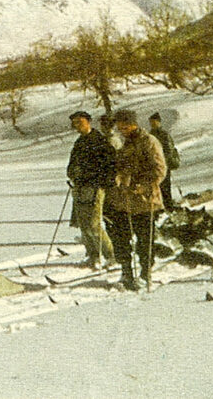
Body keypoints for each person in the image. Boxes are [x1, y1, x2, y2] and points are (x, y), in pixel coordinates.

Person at [103, 109, 166, 290]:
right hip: (125, 200)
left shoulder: (149, 142)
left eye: (124, 127)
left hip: (146, 200)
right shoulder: (125, 144)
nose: (122, 131)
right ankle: (126, 271)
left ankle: (146, 272)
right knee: (121, 237)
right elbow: (121, 168)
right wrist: (118, 177)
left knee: (145, 240)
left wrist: (145, 186)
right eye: (120, 128)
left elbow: (160, 170)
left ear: (133, 124)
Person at [65, 110, 116, 268]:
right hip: (80, 187)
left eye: (79, 122)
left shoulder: (99, 140)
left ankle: (111, 256)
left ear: (88, 122)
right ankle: (93, 255)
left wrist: (100, 181)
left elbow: (110, 165)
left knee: (94, 224)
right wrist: (72, 173)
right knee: (83, 224)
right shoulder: (79, 142)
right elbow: (72, 164)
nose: (77, 126)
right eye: (75, 123)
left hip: (95, 188)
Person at [148, 112, 181, 212]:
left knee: (165, 186)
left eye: (154, 122)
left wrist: (163, 162)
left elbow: (167, 151)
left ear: (159, 122)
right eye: (151, 123)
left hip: (163, 165)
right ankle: (162, 206)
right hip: (154, 165)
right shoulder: (151, 135)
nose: (152, 124)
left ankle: (168, 205)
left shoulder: (163, 135)